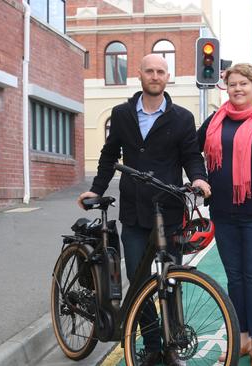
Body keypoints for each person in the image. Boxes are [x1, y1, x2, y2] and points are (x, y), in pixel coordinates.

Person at [78, 54, 210, 366]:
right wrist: (96, 189)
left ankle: (172, 347)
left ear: (168, 77)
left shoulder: (181, 118)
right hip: (135, 212)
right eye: (149, 70)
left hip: (169, 209)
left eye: (160, 71)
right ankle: (152, 346)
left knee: (170, 280)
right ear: (139, 75)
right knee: (139, 282)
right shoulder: (122, 113)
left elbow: (191, 155)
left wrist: (199, 178)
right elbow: (110, 155)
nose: (155, 75)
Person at [197, 63, 252, 366]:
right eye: (232, 84)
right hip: (223, 213)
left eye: (243, 84)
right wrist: (198, 178)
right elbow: (189, 150)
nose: (237, 89)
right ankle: (243, 338)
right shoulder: (214, 122)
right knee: (235, 279)